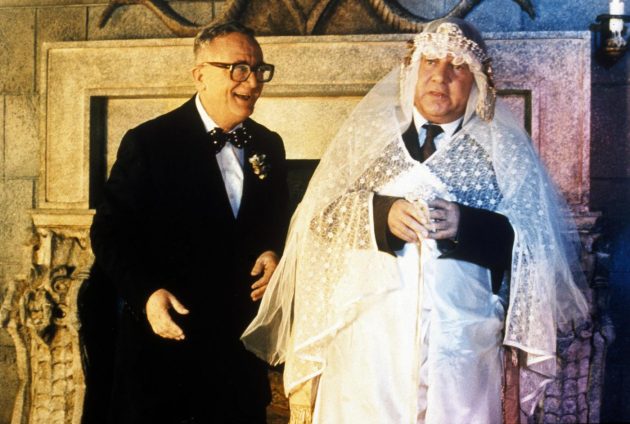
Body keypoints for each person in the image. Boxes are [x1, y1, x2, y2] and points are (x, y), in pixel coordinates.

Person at [241, 18, 589, 423]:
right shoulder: (367, 139)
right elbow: (318, 220)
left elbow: (535, 245)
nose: (440, 76)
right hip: (370, 347)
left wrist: (466, 224)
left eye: (457, 66)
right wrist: (379, 214)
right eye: (431, 62)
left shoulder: (503, 149)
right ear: (413, 71)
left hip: (460, 347)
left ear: (477, 80)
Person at [88, 21, 289, 424]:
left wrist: (273, 252)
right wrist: (146, 294)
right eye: (238, 69)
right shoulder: (149, 142)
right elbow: (110, 232)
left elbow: (278, 220)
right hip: (167, 351)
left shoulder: (269, 143)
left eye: (258, 70)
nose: (252, 82)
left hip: (239, 353)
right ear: (200, 76)